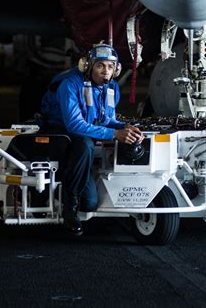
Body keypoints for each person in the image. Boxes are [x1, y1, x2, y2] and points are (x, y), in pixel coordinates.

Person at [40, 43, 142, 236]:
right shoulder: (69, 85)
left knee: (90, 203)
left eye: (111, 67)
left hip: (82, 142)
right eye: (100, 65)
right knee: (85, 143)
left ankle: (73, 183)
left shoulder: (110, 88)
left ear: (116, 70)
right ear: (87, 66)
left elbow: (107, 120)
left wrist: (125, 128)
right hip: (59, 138)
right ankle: (69, 207)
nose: (106, 71)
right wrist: (114, 134)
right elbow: (74, 125)